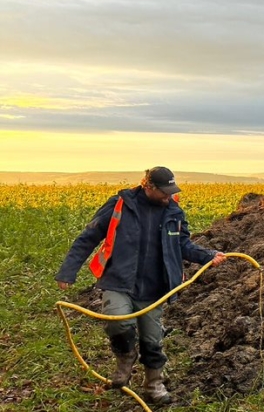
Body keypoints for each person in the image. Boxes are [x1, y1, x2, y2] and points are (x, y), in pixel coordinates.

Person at [55, 167, 226, 404]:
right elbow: (89, 237)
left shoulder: (174, 212)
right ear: (148, 186)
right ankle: (126, 358)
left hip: (154, 287)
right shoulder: (120, 206)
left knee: (152, 340)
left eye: (172, 191)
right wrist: (68, 271)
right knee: (117, 323)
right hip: (119, 281)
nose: (169, 196)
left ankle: (154, 385)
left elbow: (183, 245)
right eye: (164, 192)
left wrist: (209, 255)